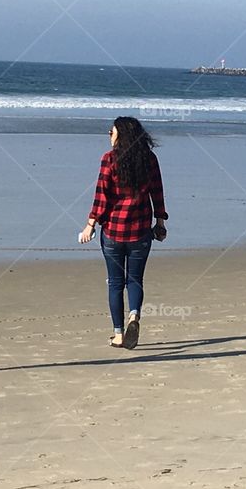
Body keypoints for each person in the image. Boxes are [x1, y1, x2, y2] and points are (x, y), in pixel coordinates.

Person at [79, 116, 168, 349]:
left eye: (112, 132)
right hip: (140, 231)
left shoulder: (109, 160)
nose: (109, 135)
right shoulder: (150, 159)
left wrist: (90, 224)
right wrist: (160, 222)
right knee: (135, 279)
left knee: (115, 283)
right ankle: (134, 316)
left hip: (113, 232)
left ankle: (118, 334)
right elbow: (157, 192)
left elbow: (102, 195)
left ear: (121, 135)